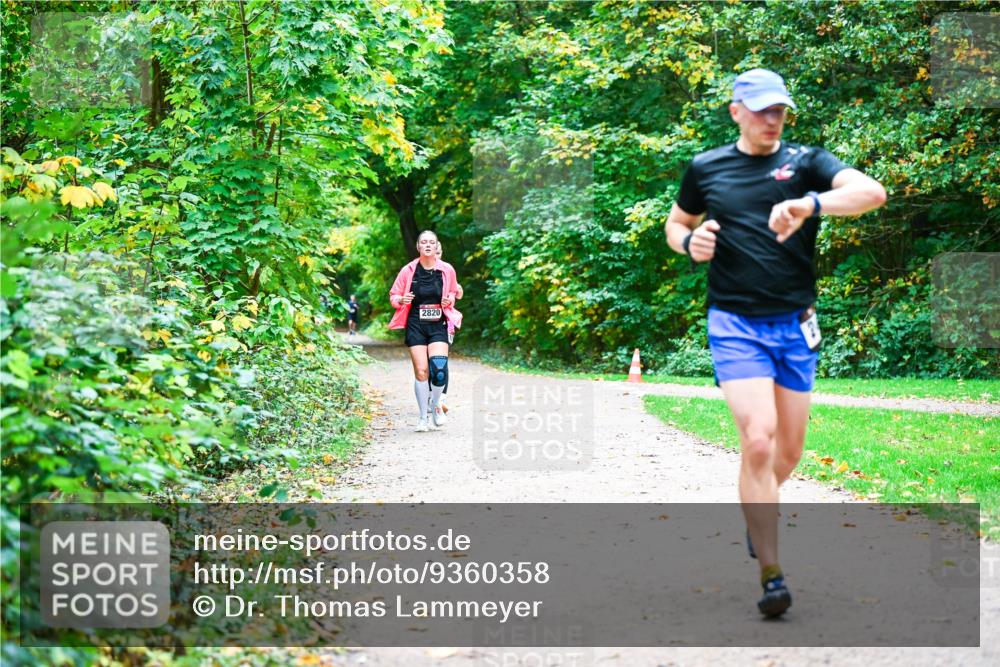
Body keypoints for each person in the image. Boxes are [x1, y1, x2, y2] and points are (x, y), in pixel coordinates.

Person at [664, 68, 887, 617]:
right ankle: (771, 572)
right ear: (736, 110)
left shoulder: (808, 163)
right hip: (734, 322)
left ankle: (754, 511)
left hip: (794, 325)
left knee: (788, 451)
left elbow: (871, 193)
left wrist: (809, 204)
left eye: (780, 110)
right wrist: (690, 243)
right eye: (761, 110)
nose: (772, 120)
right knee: (758, 441)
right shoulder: (707, 168)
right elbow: (676, 225)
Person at [388, 230, 463, 432]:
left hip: (438, 323)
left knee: (438, 369)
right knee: (421, 372)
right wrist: (400, 301)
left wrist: (449, 300)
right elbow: (394, 295)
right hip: (416, 324)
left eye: (431, 242)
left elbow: (454, 291)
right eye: (424, 242)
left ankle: (436, 405)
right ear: (419, 247)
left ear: (436, 245)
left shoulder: (447, 270)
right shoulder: (408, 270)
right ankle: (423, 418)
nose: (428, 245)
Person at [433, 241, 464, 424]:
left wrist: (455, 290)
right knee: (426, 362)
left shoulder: (447, 271)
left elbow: (458, 292)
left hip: (444, 323)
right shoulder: (419, 270)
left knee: (441, 361)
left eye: (438, 251)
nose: (435, 255)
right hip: (423, 325)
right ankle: (431, 395)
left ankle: (440, 398)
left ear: (441, 252)